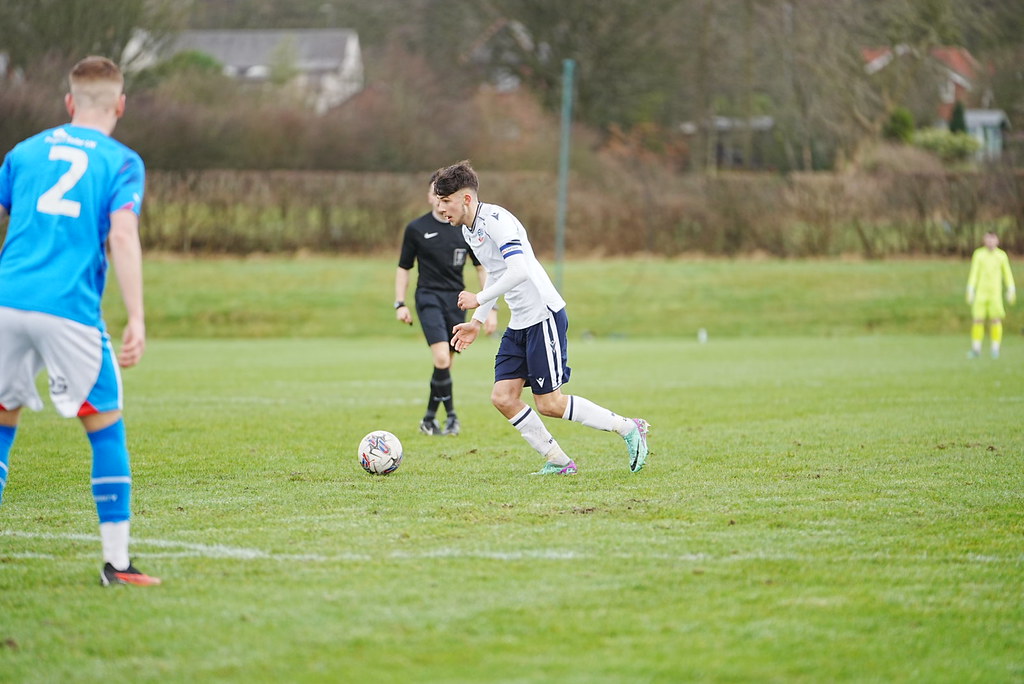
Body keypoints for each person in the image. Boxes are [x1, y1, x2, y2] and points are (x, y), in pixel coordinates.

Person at [0, 56, 160, 586]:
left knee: (2, 426)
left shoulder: (22, 152)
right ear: (120, 104)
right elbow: (121, 236)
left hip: (6, 302)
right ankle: (117, 565)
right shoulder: (121, 160)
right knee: (105, 426)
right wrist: (136, 315)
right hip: (67, 310)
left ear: (69, 103)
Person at [435, 160, 650, 475]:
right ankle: (559, 461)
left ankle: (629, 428)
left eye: (446, 201)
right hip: (520, 322)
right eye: (439, 202)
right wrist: (477, 321)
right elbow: (496, 274)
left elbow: (520, 270)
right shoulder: (469, 230)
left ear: (466, 198)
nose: (441, 208)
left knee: (550, 403)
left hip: (543, 316)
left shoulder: (497, 221)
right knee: (503, 397)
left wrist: (478, 298)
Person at [395, 170, 498, 436]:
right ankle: (451, 417)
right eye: (435, 195)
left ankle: (429, 419)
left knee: (446, 364)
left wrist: (490, 308)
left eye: (444, 197)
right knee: (441, 358)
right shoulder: (416, 229)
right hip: (428, 297)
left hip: (457, 301)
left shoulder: (463, 230)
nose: (440, 202)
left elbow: (482, 268)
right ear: (430, 197)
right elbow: (403, 268)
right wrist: (400, 303)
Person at [966, 231, 1015, 359]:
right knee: (977, 320)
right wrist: (971, 288)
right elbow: (974, 272)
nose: (990, 242)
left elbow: (1007, 273)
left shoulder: (1001, 256)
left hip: (995, 293)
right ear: (984, 240)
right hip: (981, 293)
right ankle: (976, 349)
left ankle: (995, 349)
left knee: (996, 320)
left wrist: (1011, 288)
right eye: (988, 239)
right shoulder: (979, 254)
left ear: (997, 241)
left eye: (992, 239)